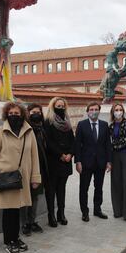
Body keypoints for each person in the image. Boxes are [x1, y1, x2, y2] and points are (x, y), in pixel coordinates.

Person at [0, 102, 41, 253]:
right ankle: (9, 241)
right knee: (9, 212)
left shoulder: (29, 132)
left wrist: (35, 177)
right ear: (6, 115)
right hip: (6, 178)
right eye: (11, 113)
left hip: (22, 179)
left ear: (22, 114)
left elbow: (35, 157)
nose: (14, 116)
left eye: (17, 113)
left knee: (17, 211)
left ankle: (15, 238)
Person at [74, 102, 112, 222]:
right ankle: (84, 212)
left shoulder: (105, 125)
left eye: (96, 109)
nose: (93, 111)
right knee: (84, 188)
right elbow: (77, 145)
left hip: (100, 162)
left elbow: (107, 144)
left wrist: (109, 161)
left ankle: (97, 209)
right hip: (86, 162)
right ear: (87, 111)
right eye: (91, 109)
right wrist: (78, 161)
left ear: (99, 111)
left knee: (98, 187)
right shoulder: (81, 125)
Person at [44, 97, 75, 226]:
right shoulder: (48, 122)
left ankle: (61, 214)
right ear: (53, 106)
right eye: (58, 106)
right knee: (51, 190)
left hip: (66, 161)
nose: (60, 108)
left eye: (62, 106)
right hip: (53, 161)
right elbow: (48, 142)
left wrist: (70, 154)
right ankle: (51, 215)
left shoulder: (67, 122)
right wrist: (61, 154)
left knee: (62, 189)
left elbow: (73, 140)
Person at [20, 103, 49, 236]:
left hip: (39, 168)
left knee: (35, 196)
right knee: (25, 197)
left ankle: (32, 221)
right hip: (27, 167)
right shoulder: (24, 128)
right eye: (33, 112)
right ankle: (25, 223)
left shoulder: (42, 128)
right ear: (27, 113)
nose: (36, 114)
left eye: (38, 112)